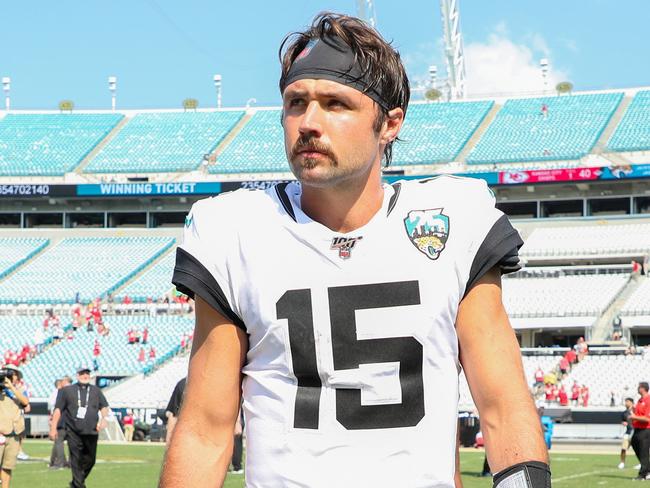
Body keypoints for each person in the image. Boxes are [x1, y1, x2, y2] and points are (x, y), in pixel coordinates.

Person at [162, 13, 549, 488]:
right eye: (296, 103)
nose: (308, 123)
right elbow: (205, 428)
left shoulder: (454, 222)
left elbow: (503, 408)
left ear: (388, 124)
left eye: (335, 104)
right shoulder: (236, 230)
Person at [49, 366, 110, 488]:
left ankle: (76, 483)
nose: (85, 376)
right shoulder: (67, 391)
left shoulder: (95, 390)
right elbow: (58, 410)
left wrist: (104, 418)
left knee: (90, 460)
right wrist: (53, 427)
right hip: (73, 431)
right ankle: (79, 485)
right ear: (77, 375)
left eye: (87, 373)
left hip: (92, 431)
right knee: (76, 459)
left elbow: (104, 406)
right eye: (82, 373)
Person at [0, 364, 29, 488]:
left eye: (14, 374)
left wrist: (11, 387)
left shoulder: (20, 389)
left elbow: (25, 402)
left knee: (8, 466)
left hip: (14, 433)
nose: (12, 376)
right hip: (1, 432)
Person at [629, 382, 650, 480]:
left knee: (644, 451)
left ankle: (643, 474)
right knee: (634, 444)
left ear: (643, 388)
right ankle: (647, 469)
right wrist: (633, 410)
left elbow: (647, 419)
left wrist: (634, 417)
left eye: (639, 387)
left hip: (645, 429)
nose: (637, 389)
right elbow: (639, 414)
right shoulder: (640, 400)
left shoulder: (648, 400)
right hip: (637, 429)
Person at [48, 377, 70, 469]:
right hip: (69, 420)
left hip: (61, 420)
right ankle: (58, 461)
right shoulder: (72, 392)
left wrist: (53, 420)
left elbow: (55, 408)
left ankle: (59, 462)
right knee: (67, 442)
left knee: (59, 442)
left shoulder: (58, 393)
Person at [619, 397, 635, 469]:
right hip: (628, 432)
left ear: (631, 402)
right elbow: (622, 421)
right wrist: (623, 423)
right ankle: (622, 462)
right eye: (625, 402)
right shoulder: (624, 413)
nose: (626, 403)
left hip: (636, 431)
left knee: (640, 449)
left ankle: (641, 463)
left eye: (627, 401)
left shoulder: (636, 410)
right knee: (623, 448)